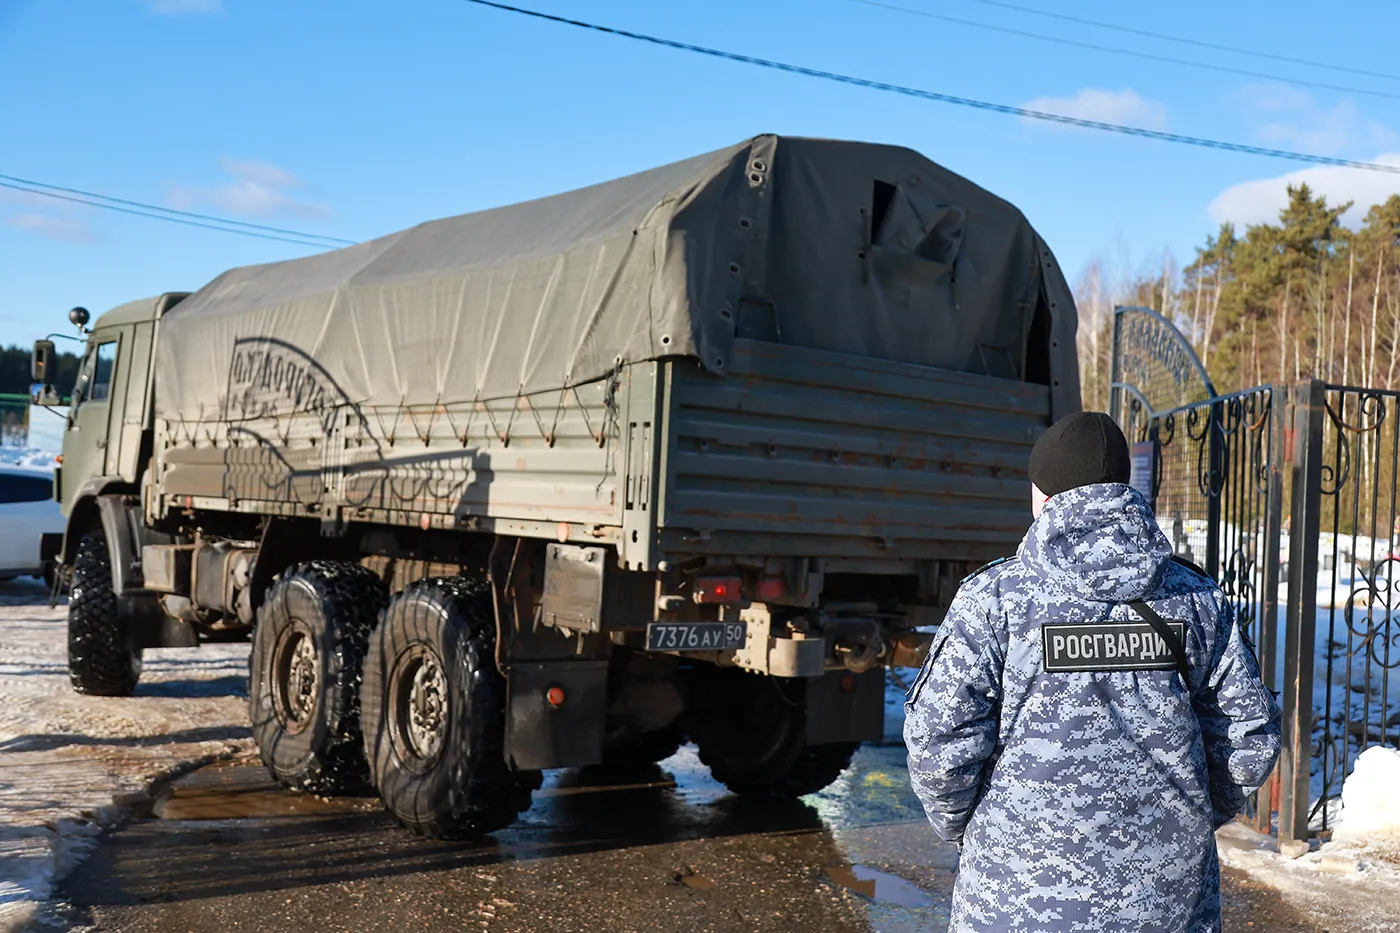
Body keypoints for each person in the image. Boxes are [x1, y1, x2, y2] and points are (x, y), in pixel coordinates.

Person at [904, 411, 1281, 933]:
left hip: (1016, 900)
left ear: (1042, 495)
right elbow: (1248, 736)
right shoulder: (1195, 598)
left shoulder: (996, 599)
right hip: (1168, 901)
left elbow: (938, 740)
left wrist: (969, 827)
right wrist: (1189, 817)